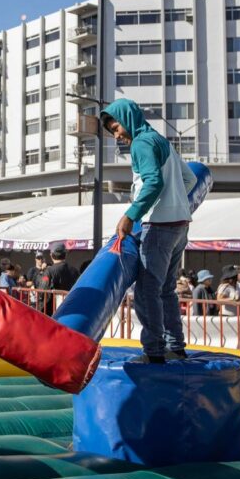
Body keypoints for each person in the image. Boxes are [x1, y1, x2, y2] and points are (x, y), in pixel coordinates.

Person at [101, 98, 198, 363]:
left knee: (146, 292)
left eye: (117, 126)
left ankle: (154, 352)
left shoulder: (141, 144)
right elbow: (190, 179)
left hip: (158, 226)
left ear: (129, 119)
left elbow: (153, 182)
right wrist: (174, 201)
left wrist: (130, 215)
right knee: (166, 289)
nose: (117, 134)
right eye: (112, 130)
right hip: (180, 224)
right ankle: (175, 347)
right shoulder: (160, 140)